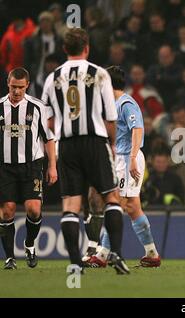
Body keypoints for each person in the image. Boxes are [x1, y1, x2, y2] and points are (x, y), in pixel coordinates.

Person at [41, 28, 129, 274]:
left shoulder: (52, 78)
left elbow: (47, 121)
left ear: (64, 49)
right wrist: (111, 144)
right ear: (87, 47)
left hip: (67, 145)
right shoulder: (99, 74)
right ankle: (117, 255)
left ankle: (75, 265)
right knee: (111, 197)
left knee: (71, 204)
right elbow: (111, 118)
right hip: (95, 141)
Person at [87, 66, 161, 268]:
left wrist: (132, 157)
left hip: (128, 158)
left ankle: (102, 254)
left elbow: (138, 128)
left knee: (118, 203)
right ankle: (152, 254)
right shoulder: (112, 104)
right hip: (119, 159)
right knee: (133, 207)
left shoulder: (126, 103)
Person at [0, 67, 57, 270]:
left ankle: (30, 244)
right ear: (8, 83)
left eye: (21, 88)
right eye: (13, 87)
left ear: (27, 86)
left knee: (33, 210)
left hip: (31, 165)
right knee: (7, 211)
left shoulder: (38, 107)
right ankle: (9, 258)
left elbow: (49, 139)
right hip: (4, 167)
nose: (16, 91)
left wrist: (52, 166)